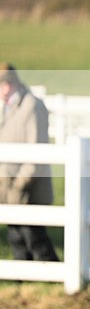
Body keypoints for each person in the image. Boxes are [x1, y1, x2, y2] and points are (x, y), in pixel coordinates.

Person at [0, 63, 59, 262]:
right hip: (9, 188)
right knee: (16, 237)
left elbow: (36, 154)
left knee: (34, 238)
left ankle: (51, 273)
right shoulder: (8, 107)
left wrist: (19, 184)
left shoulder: (31, 106)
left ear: (7, 85)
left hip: (28, 188)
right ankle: (24, 275)